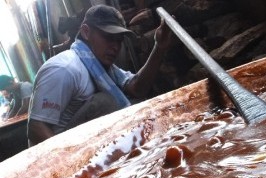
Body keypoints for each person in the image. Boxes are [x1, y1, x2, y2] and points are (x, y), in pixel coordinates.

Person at [28, 4, 172, 146]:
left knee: (137, 108)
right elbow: (36, 128)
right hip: (60, 152)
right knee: (104, 103)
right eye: (109, 38)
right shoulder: (64, 68)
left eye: (119, 40)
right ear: (86, 32)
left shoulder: (104, 68)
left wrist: (159, 46)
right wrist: (71, 163)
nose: (115, 47)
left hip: (85, 144)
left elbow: (137, 88)